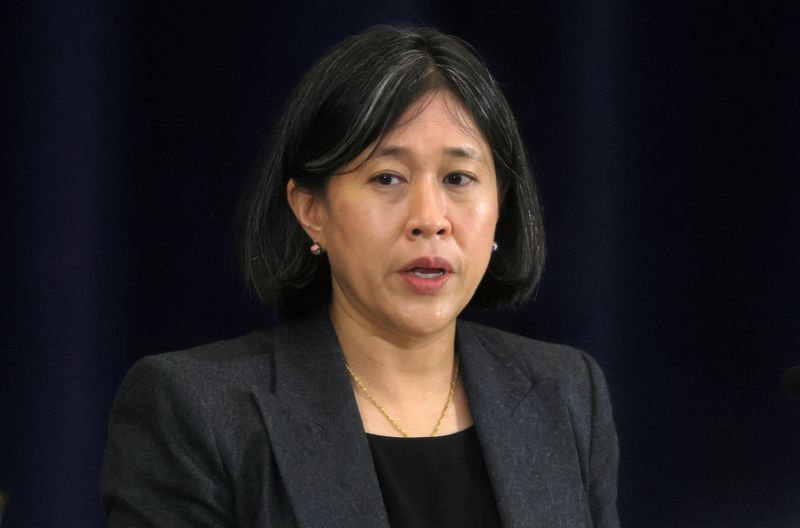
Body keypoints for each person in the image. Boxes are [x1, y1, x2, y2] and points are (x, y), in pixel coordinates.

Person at [101, 24, 619, 527]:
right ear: (311, 210)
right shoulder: (199, 411)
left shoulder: (566, 392)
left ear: (499, 206)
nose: (430, 218)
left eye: (458, 178)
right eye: (387, 177)